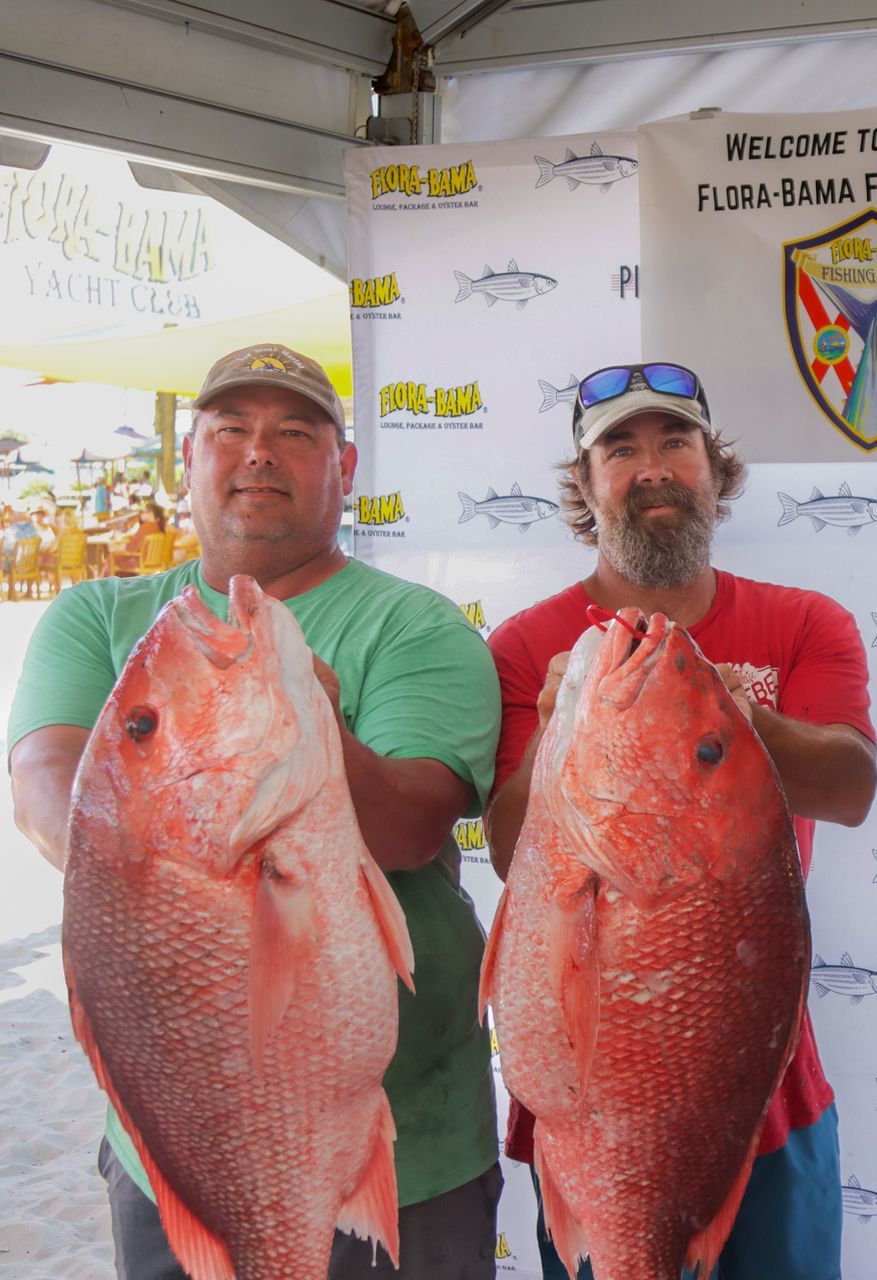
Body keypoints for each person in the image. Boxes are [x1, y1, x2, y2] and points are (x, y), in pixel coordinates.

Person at [8, 343, 506, 1279]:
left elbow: (411, 825)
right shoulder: (97, 616)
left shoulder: (418, 626)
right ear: (187, 458)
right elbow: (43, 787)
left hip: (413, 1150)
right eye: (229, 430)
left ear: (345, 467)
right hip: (179, 1147)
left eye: (295, 433)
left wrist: (302, 733)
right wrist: (193, 833)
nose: (258, 453)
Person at [484, 361, 877, 1280]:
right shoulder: (523, 646)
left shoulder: (804, 622)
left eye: (676, 443)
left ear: (716, 470)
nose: (652, 466)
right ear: (585, 485)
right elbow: (508, 850)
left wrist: (724, 721)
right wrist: (558, 734)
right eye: (619, 449)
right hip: (591, 1083)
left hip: (764, 1075)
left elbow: (851, 787)